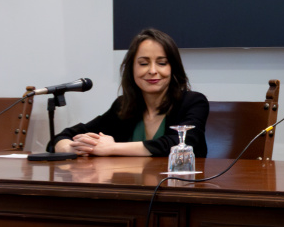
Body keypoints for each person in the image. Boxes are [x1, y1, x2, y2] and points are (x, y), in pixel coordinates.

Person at [50, 28, 209, 158]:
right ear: (131, 69)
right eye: (143, 63)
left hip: (180, 190)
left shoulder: (194, 102)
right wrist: (70, 148)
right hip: (131, 190)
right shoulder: (123, 105)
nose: (152, 71)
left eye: (162, 63)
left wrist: (112, 148)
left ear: (173, 68)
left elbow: (179, 144)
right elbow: (63, 137)